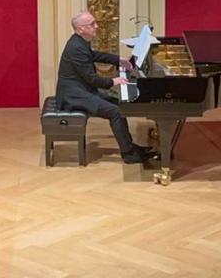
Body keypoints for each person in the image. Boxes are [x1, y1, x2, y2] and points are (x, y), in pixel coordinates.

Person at [56, 11, 155, 164]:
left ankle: (130, 147)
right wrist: (113, 81)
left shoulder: (80, 42)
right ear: (81, 29)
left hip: (82, 91)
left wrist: (118, 60)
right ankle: (128, 154)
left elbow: (94, 55)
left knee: (119, 105)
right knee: (115, 112)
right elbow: (91, 78)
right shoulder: (76, 47)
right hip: (74, 96)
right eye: (92, 24)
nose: (97, 26)